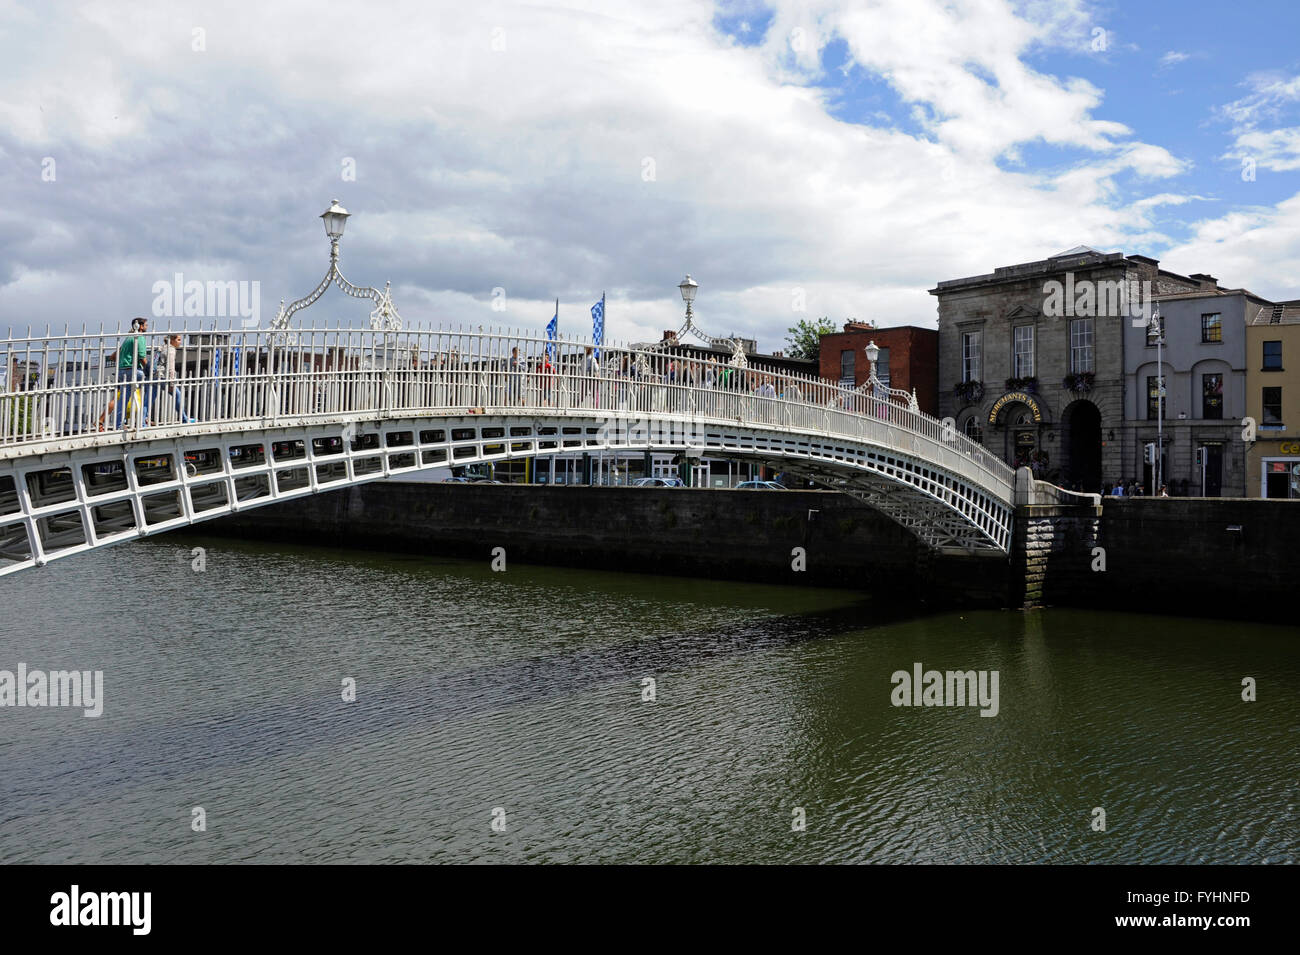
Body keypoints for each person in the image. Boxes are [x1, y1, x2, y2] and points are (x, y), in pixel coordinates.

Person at [114, 317, 151, 428]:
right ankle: (143, 422)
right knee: (150, 390)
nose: (147, 326)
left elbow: (114, 356)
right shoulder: (139, 337)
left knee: (123, 399)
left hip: (122, 371)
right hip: (133, 371)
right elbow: (142, 357)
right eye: (145, 325)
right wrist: (150, 370)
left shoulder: (128, 338)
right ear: (139, 326)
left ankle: (119, 424)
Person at [153, 333, 195, 424]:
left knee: (150, 398)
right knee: (178, 395)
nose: (180, 342)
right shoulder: (171, 350)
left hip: (155, 376)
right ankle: (184, 418)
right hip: (164, 377)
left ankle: (143, 420)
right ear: (172, 340)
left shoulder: (161, 347)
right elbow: (171, 368)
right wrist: (171, 383)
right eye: (178, 340)